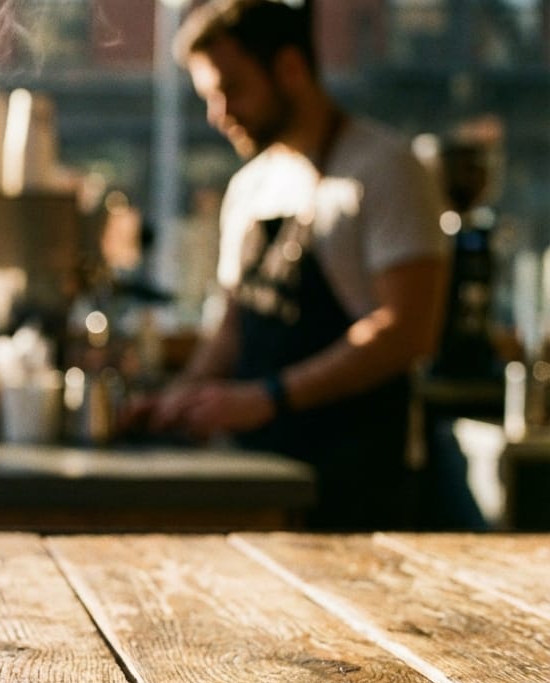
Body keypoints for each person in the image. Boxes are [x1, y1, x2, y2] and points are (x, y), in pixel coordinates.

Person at [128, 0, 450, 530]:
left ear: (291, 69)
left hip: (357, 485)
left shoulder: (386, 169)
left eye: (230, 88)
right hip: (257, 483)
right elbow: (230, 330)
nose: (218, 113)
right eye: (209, 96)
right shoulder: (249, 188)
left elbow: (408, 330)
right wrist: (176, 399)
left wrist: (268, 398)